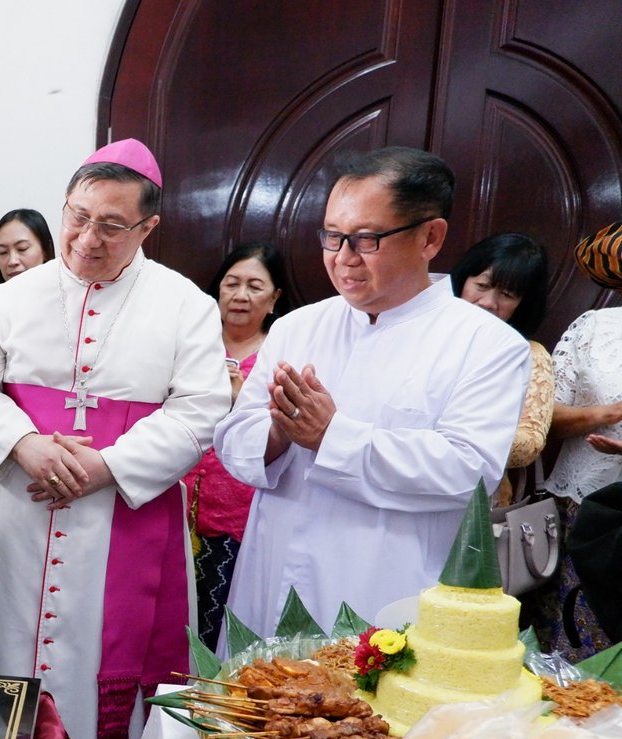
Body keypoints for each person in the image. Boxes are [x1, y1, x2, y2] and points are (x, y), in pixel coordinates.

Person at [0, 138, 231, 739]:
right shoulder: (10, 297)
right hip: (19, 516)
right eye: (76, 216)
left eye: (111, 225)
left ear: (148, 228)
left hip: (123, 520)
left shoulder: (185, 305)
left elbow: (202, 409)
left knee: (100, 675)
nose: (85, 239)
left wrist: (108, 465)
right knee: (6, 659)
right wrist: (25, 444)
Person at [215, 146, 529, 644]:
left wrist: (330, 435)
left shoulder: (487, 344)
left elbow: (468, 471)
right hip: (272, 572)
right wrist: (277, 430)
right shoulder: (298, 327)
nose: (343, 258)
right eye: (332, 236)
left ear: (430, 237)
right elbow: (234, 442)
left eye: (366, 239)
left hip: (384, 589)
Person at [182, 242, 289, 648]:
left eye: (254, 286)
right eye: (231, 284)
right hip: (179, 504)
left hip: (240, 516)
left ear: (275, 298)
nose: (240, 295)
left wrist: (241, 400)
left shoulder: (280, 354)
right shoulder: (194, 344)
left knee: (219, 624)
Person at [533, 221, 622, 659]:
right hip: (584, 512)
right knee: (577, 647)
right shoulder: (594, 328)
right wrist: (607, 414)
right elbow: (544, 418)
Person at [449, 231, 553, 507]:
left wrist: (461, 437)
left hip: (477, 501)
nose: (488, 302)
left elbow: (530, 442)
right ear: (462, 280)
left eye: (506, 294)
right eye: (481, 285)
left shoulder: (529, 355)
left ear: (523, 304)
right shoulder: (422, 333)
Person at [0, 208, 55, 286]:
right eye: (3, 252)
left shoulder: (64, 292)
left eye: (22, 249)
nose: (12, 261)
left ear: (46, 251)